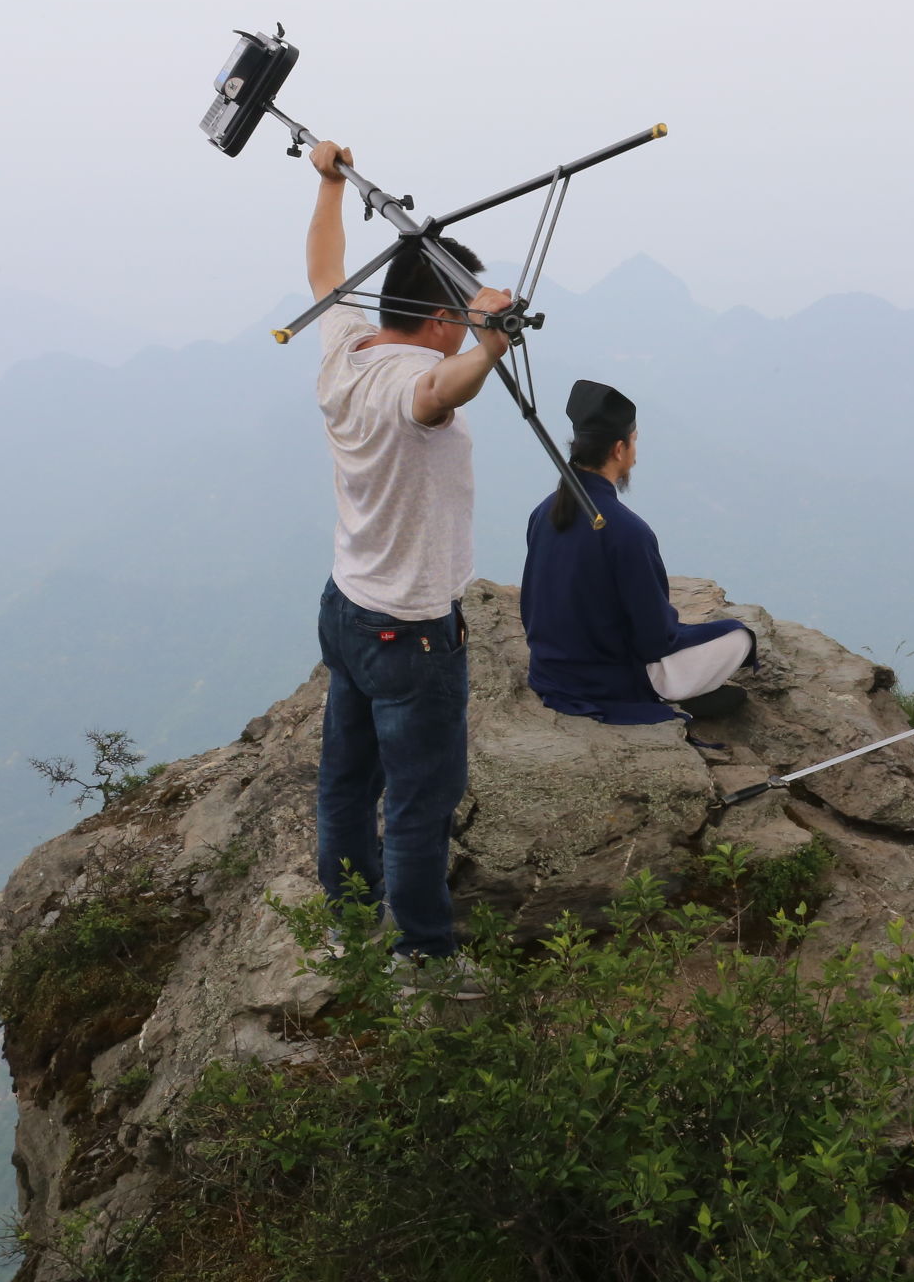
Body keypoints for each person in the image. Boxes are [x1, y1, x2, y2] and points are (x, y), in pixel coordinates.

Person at [303, 139, 510, 963]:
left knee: (347, 784)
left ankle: (349, 917)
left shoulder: (346, 346)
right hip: (412, 628)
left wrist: (326, 187)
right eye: (455, 320)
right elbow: (437, 390)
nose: (459, 334)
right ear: (437, 318)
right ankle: (424, 956)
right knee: (421, 804)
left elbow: (326, 272)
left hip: (347, 606)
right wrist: (489, 348)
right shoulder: (406, 385)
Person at [520, 380, 756, 727]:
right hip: (610, 682)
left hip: (549, 672)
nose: (635, 454)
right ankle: (669, 695)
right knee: (740, 636)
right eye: (633, 443)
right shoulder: (629, 531)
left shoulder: (544, 511)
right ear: (618, 449)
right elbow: (654, 640)